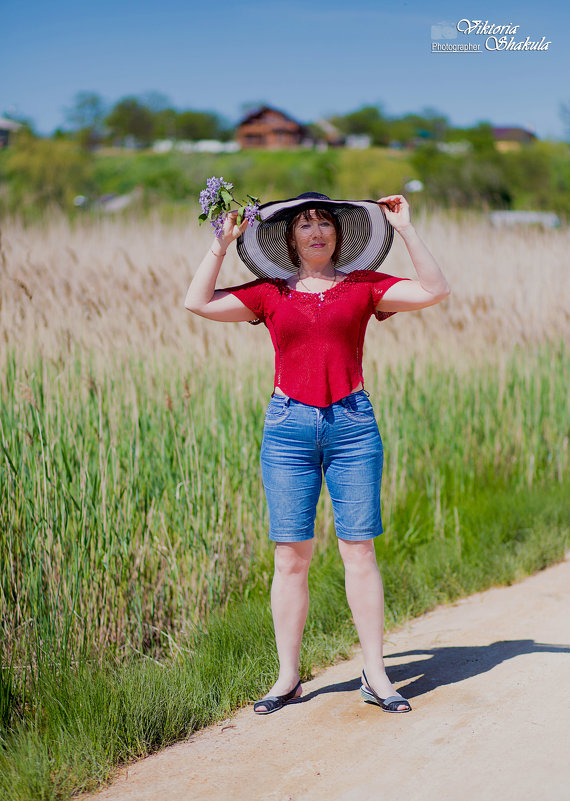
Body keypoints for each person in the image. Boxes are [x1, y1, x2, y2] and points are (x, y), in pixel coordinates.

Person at [185, 192, 450, 715]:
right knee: (290, 557)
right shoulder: (268, 294)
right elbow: (197, 301)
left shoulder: (364, 288)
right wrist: (222, 242)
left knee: (359, 550)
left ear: (339, 234)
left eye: (324, 223)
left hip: (353, 425)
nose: (315, 232)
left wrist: (407, 228)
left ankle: (375, 674)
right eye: (304, 225)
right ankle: (287, 678)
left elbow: (436, 290)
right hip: (288, 430)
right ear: (289, 239)